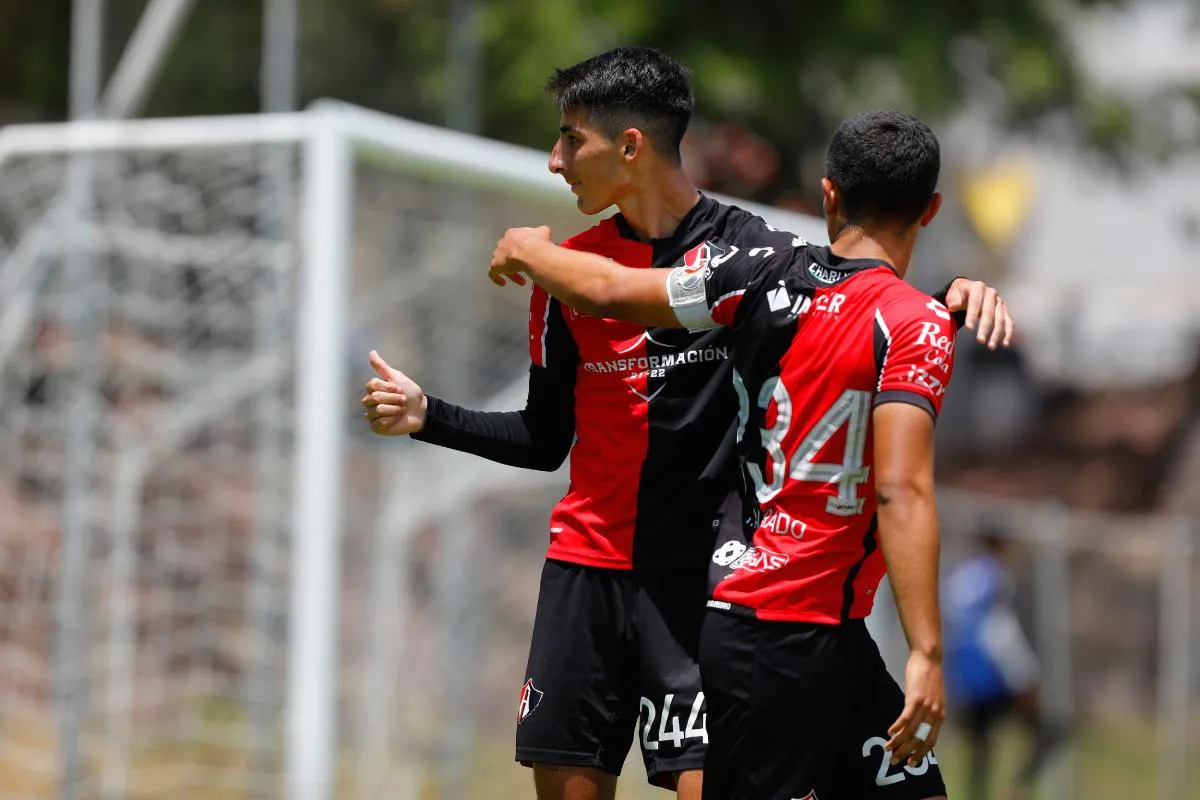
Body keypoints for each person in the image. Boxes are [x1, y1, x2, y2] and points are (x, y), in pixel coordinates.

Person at [365, 47, 1011, 800]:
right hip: (588, 580)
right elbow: (548, 437)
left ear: (630, 145)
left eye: (571, 139)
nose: (553, 161)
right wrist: (427, 415)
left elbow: (843, 309)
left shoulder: (750, 259)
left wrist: (947, 297)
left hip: (704, 587)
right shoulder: (568, 271)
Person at [945, 526, 1061, 800]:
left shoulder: (959, 579)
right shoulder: (997, 578)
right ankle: (1017, 788)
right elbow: (998, 631)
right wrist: (1025, 675)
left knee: (979, 756)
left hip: (964, 678)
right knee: (1050, 732)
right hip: (995, 677)